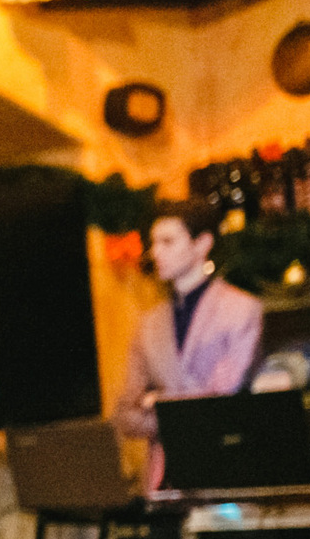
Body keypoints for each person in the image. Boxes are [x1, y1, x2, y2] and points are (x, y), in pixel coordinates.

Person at [113, 200, 265, 470]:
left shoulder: (241, 309)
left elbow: (224, 400)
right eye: (153, 242)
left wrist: (157, 402)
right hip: (166, 476)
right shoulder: (148, 323)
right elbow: (124, 413)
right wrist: (184, 410)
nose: (155, 252)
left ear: (202, 243)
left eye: (168, 241)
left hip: (226, 469)